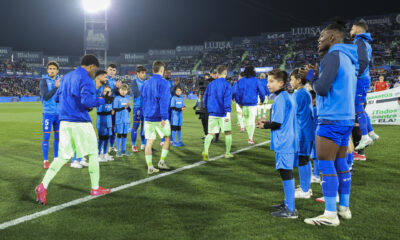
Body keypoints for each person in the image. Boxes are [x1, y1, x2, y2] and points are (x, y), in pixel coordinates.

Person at [35, 54, 111, 205]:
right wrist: (104, 100)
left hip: (64, 122)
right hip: (80, 122)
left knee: (63, 156)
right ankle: (95, 187)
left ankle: (43, 185)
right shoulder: (86, 79)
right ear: (91, 66)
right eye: (94, 70)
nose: (93, 73)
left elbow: (57, 98)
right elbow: (86, 101)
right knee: (93, 152)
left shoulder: (65, 78)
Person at [302, 20, 357, 226]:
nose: (319, 40)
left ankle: (330, 214)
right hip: (346, 118)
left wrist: (310, 78)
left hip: (331, 118)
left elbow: (322, 89)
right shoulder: (348, 57)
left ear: (333, 38)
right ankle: (344, 207)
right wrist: (317, 77)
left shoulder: (332, 56)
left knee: (326, 165)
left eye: (322, 36)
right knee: (341, 164)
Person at [256, 69, 298, 218]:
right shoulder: (287, 96)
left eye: (271, 81)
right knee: (286, 171)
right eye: (267, 81)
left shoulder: (281, 99)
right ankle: (288, 202)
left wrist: (264, 125)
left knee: (285, 172)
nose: (268, 84)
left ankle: (291, 209)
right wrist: (268, 122)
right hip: (288, 138)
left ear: (281, 83)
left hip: (284, 140)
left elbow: (278, 124)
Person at [350, 20, 379, 151]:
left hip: (360, 79)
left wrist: (355, 74)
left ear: (359, 31)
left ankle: (365, 137)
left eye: (352, 28)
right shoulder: (365, 42)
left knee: (358, 107)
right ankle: (371, 133)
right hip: (364, 79)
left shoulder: (359, 42)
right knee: (360, 107)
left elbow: (363, 61)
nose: (350, 30)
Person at [142, 60, 172, 174]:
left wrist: (145, 114)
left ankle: (150, 167)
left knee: (149, 142)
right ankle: (161, 162)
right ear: (161, 70)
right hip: (160, 117)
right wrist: (164, 117)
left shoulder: (146, 83)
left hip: (148, 117)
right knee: (167, 138)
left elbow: (143, 100)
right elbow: (164, 100)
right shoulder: (164, 83)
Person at [289, 68, 314, 199]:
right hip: (306, 130)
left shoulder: (299, 94)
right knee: (305, 159)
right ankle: (306, 187)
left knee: (303, 160)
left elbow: (291, 113)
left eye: (292, 79)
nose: (290, 82)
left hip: (302, 131)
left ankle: (305, 189)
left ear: (299, 80)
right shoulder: (305, 92)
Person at [202, 65, 233, 160]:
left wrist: (207, 108)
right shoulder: (227, 85)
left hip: (212, 113)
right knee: (228, 132)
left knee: (210, 133)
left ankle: (205, 151)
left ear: (217, 73)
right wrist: (228, 112)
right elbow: (227, 99)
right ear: (225, 73)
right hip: (223, 114)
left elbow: (205, 98)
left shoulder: (211, 84)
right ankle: (227, 153)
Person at [235, 66, 266, 144]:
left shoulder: (241, 81)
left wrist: (239, 102)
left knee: (246, 119)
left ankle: (246, 131)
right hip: (252, 104)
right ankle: (250, 138)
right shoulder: (256, 81)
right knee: (251, 121)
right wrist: (262, 100)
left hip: (243, 104)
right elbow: (262, 92)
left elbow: (236, 93)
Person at [39, 61, 61, 169]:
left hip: (59, 114)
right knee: (46, 136)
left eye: (54, 68)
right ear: (47, 70)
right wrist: (56, 87)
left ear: (57, 71)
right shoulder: (43, 81)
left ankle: (56, 158)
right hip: (48, 114)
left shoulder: (61, 81)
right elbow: (46, 96)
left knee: (58, 137)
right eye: (50, 68)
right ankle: (46, 160)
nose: (52, 70)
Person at [130, 65, 147, 152]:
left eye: (145, 73)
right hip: (138, 107)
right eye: (142, 73)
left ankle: (143, 144)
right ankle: (134, 145)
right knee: (136, 126)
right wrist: (145, 91)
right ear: (137, 73)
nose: (144, 74)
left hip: (145, 107)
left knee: (144, 127)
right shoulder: (134, 82)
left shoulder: (145, 82)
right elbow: (136, 93)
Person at [113, 84, 132, 157]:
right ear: (119, 90)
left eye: (125, 90)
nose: (123, 92)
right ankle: (118, 151)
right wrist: (124, 107)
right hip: (119, 120)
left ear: (127, 91)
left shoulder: (127, 99)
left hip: (126, 120)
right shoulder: (117, 98)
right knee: (119, 134)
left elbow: (129, 110)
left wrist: (127, 107)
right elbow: (115, 109)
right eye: (122, 90)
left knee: (125, 134)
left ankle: (123, 150)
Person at [106, 63, 121, 153]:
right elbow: (108, 94)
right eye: (110, 69)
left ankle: (111, 146)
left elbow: (117, 95)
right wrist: (116, 88)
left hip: (114, 109)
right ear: (107, 70)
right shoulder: (105, 80)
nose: (112, 72)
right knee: (106, 128)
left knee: (113, 128)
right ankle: (102, 148)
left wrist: (119, 90)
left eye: (114, 70)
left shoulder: (115, 81)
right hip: (107, 108)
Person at [309, 90, 321, 184]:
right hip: (318, 133)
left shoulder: (314, 109)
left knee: (315, 155)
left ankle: (316, 175)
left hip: (316, 134)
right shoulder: (318, 108)